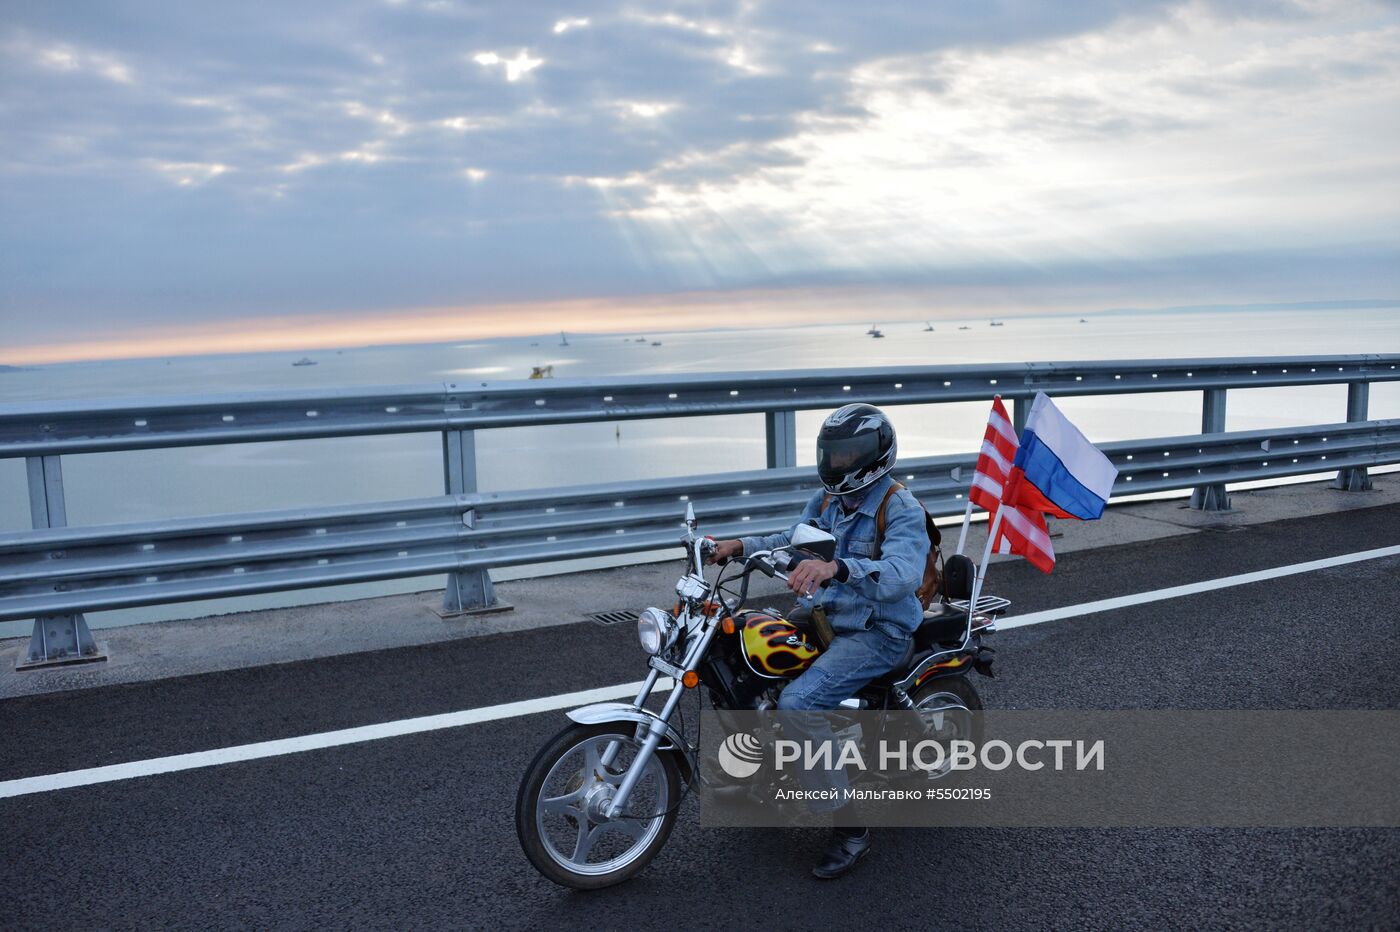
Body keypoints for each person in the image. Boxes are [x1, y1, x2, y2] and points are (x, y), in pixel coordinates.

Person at [708, 403, 929, 879]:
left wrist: (838, 567)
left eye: (850, 454)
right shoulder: (828, 503)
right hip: (826, 615)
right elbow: (794, 538)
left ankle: (849, 828)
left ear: (875, 456)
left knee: (799, 703)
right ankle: (763, 772)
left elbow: (902, 574)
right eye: (833, 454)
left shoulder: (901, 508)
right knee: (742, 655)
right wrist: (739, 546)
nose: (838, 464)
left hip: (877, 629)